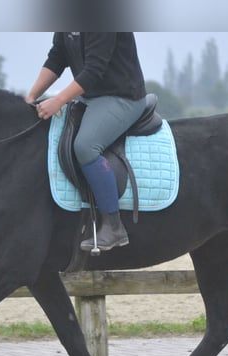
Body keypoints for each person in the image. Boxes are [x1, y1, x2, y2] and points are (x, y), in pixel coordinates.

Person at [26, 33, 148, 252]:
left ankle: (113, 226)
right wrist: (30, 97)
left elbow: (94, 69)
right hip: (89, 97)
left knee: (85, 146)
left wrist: (58, 100)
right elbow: (57, 57)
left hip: (122, 97)